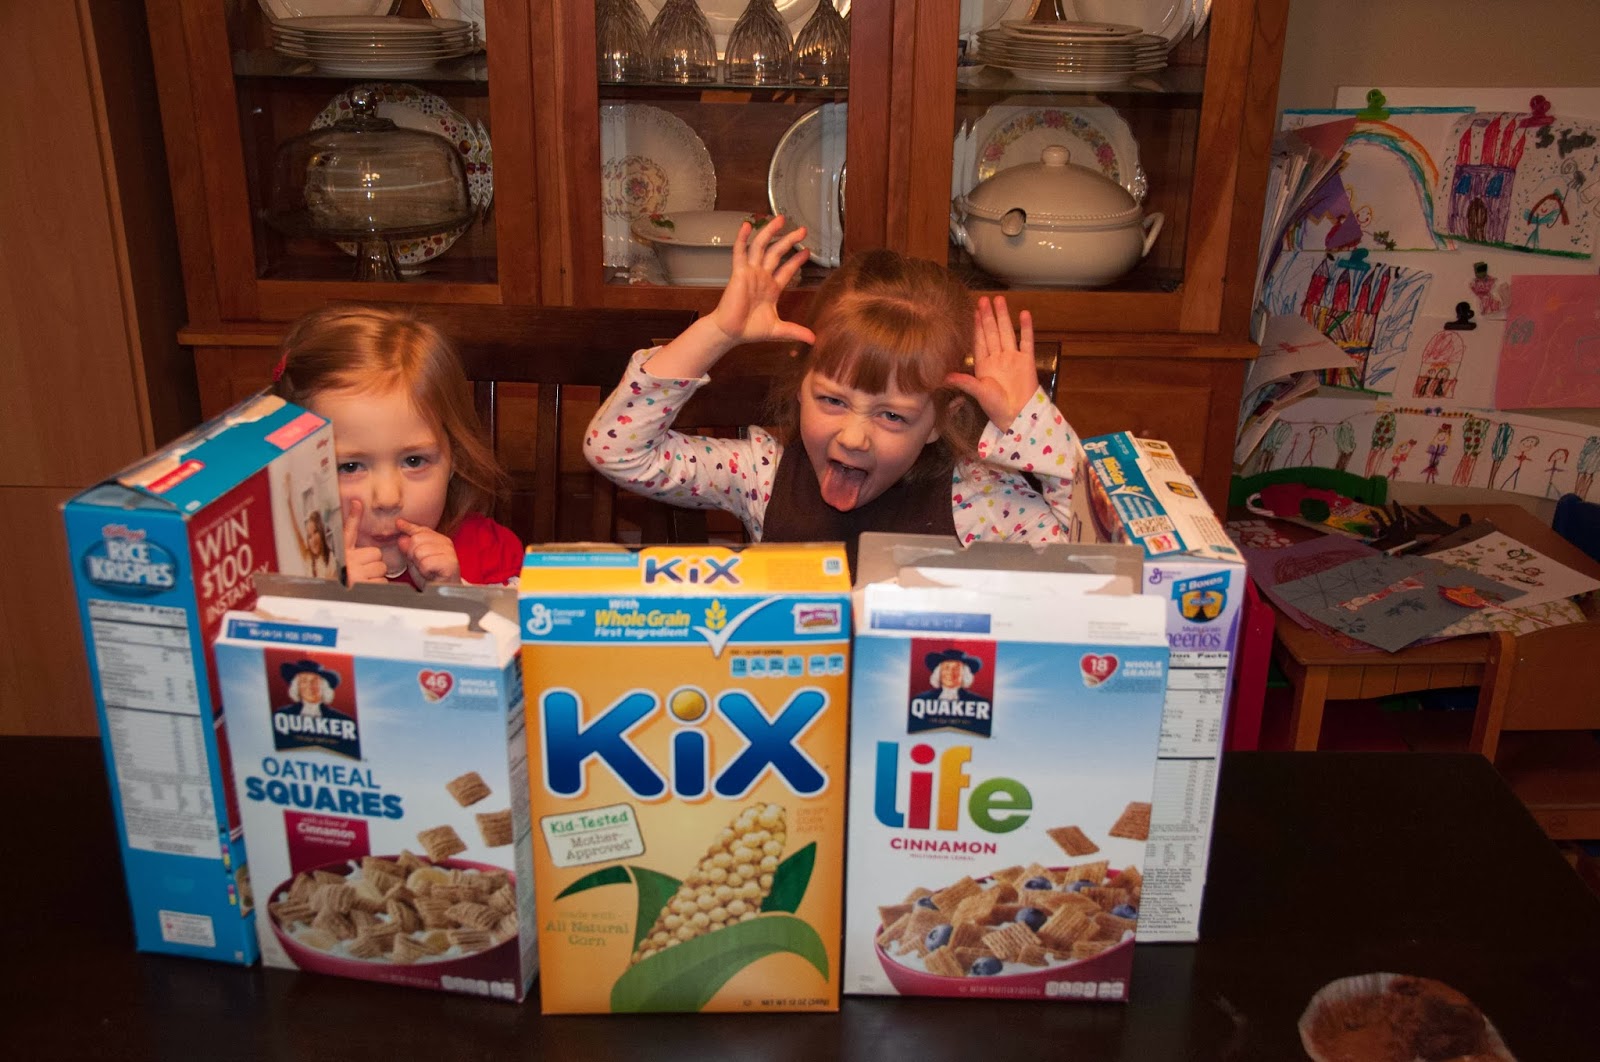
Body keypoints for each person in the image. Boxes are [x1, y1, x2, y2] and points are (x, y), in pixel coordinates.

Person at [583, 217, 1080, 564]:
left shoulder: (978, 497)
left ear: (938, 422)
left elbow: (1088, 560)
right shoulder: (761, 474)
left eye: (892, 416)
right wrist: (717, 331)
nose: (853, 438)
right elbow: (616, 451)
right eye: (833, 401)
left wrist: (1029, 421)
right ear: (801, 386)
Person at [272, 305, 520, 588]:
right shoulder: (283, 569)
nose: (388, 498)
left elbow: (525, 615)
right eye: (350, 467)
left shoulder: (490, 551)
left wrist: (456, 592)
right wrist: (325, 598)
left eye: (414, 461)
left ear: (455, 458)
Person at [918, 649, 983, 702]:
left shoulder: (976, 701)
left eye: (956, 669)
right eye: (946, 668)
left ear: (964, 674)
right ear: (939, 673)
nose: (950, 673)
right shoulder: (923, 700)